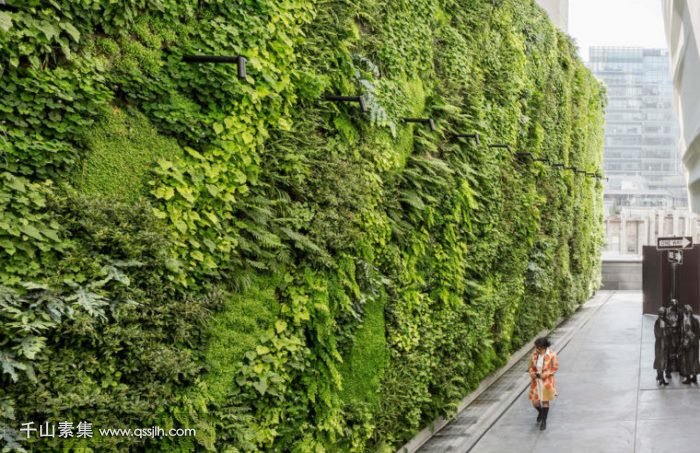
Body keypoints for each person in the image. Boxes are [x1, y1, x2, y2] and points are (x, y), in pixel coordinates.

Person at [527, 337, 558, 430]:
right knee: (535, 402)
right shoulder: (534, 355)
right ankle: (540, 412)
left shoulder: (552, 355)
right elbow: (530, 367)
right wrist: (532, 373)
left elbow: (555, 368)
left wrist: (546, 374)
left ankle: (544, 421)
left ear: (544, 347)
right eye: (536, 347)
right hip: (536, 381)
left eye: (539, 347)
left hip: (546, 381)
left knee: (545, 401)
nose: (537, 349)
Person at [680, 304, 700, 384]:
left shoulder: (686, 321)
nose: (683, 313)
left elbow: (687, 333)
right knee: (694, 360)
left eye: (684, 311)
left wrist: (685, 343)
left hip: (689, 344)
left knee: (687, 360)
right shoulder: (696, 320)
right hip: (695, 344)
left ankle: (688, 378)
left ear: (687, 312)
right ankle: (694, 377)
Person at [666, 298, 682, 377]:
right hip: (669, 335)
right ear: (671, 305)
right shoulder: (667, 311)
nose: (674, 307)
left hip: (677, 334)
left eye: (676, 306)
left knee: (678, 351)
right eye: (673, 306)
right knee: (669, 352)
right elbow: (665, 323)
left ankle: (678, 367)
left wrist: (679, 331)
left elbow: (681, 323)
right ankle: (668, 370)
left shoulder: (679, 311)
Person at [654, 307, 669, 385]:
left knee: (659, 360)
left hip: (660, 344)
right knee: (661, 361)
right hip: (661, 345)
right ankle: (661, 378)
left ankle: (659, 376)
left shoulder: (659, 321)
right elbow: (661, 334)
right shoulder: (661, 322)